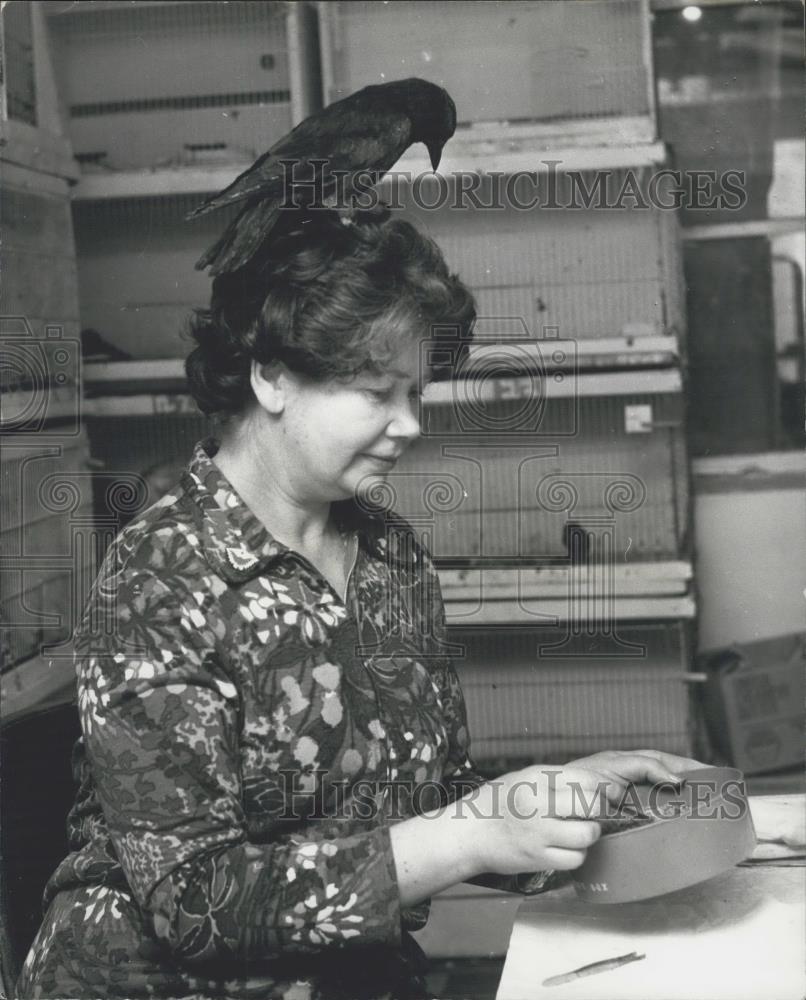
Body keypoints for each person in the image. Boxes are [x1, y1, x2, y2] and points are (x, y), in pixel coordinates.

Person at [18, 207, 702, 1000]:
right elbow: (191, 902)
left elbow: (427, 802)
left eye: (417, 391)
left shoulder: (388, 553)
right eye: (378, 391)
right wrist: (474, 831)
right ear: (270, 375)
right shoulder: (159, 578)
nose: (411, 423)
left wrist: (551, 800)